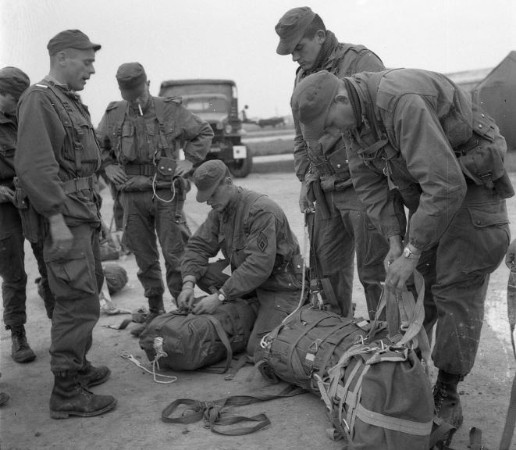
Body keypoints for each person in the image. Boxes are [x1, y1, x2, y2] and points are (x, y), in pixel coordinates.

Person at [292, 69, 513, 437]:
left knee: (455, 291)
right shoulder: (354, 120)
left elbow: (446, 183)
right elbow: (369, 183)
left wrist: (413, 249)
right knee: (410, 286)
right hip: (435, 196)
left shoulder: (400, 102)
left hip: (470, 191)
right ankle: (406, 373)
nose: (333, 136)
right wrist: (396, 241)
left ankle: (448, 389)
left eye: (330, 126)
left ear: (342, 100)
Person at [15, 29, 116, 419]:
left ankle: (80, 366)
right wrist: (56, 220)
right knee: (75, 301)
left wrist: (93, 218)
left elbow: (79, 166)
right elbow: (35, 168)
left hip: (80, 216)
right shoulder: (40, 100)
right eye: (86, 61)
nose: (92, 70)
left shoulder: (67, 101)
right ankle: (67, 392)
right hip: (64, 221)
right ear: (62, 58)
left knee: (87, 294)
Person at [275, 6, 389, 318]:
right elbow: (301, 134)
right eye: (291, 53)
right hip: (324, 189)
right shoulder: (302, 75)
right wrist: (306, 177)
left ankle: (392, 347)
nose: (295, 57)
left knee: (374, 271)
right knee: (326, 272)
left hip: (363, 186)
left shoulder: (361, 61)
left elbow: (380, 122)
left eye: (299, 47)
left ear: (321, 36)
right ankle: (336, 337)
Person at [97, 62, 213, 336]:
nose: (136, 100)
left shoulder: (169, 109)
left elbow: (202, 131)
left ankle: (182, 307)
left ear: (147, 84)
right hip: (131, 195)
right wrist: (107, 165)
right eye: (130, 96)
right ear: (122, 92)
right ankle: (155, 308)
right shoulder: (114, 114)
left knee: (175, 252)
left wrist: (191, 161)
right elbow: (96, 144)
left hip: (165, 191)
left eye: (139, 93)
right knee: (144, 256)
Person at [177, 160, 304, 356]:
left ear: (228, 182)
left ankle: (296, 306)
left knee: (259, 350)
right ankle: (253, 306)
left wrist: (220, 296)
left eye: (212, 195)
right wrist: (188, 284)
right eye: (206, 197)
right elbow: (198, 246)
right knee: (201, 274)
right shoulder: (221, 210)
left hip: (280, 283)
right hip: (251, 280)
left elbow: (258, 266)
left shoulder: (261, 210)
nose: (209, 201)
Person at [0, 66, 55, 365]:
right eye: (15, 99)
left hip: (31, 199)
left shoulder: (24, 117)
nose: (20, 105)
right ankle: (18, 333)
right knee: (13, 273)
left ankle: (60, 329)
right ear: (2, 94)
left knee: (49, 264)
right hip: (4, 208)